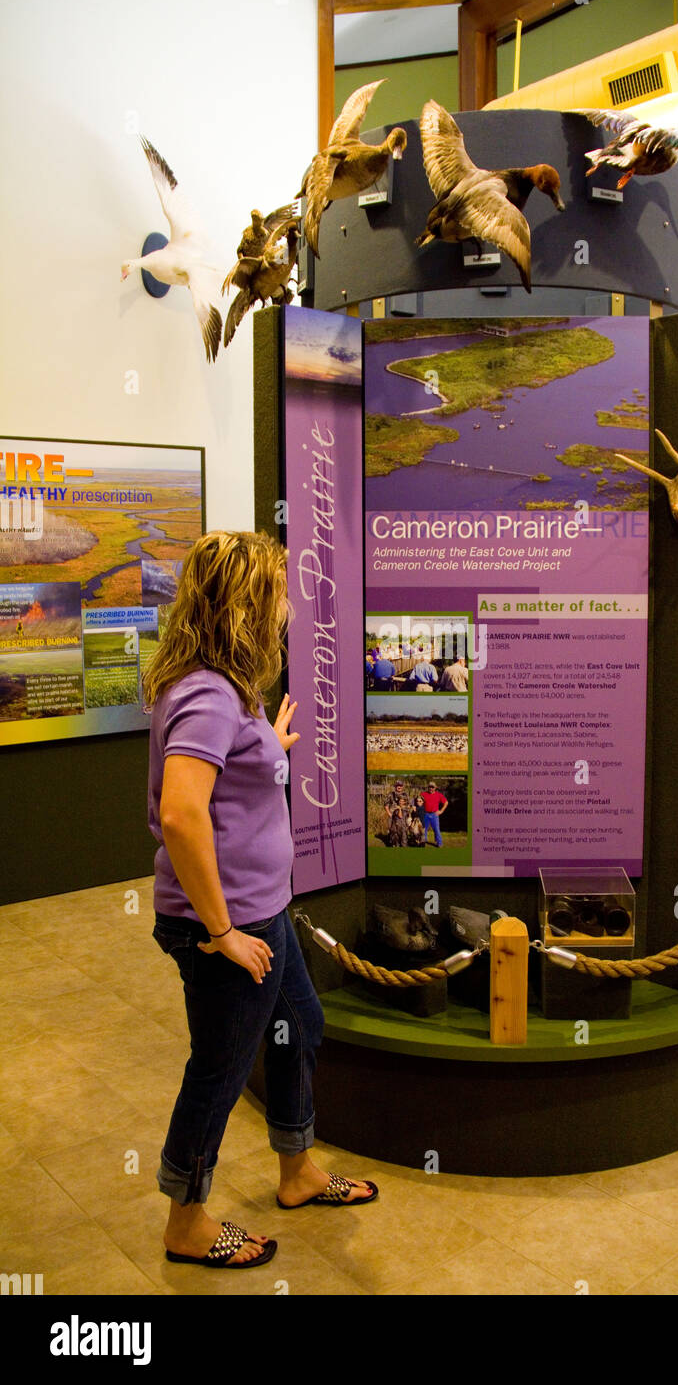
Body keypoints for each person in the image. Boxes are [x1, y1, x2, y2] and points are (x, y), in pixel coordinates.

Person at [142, 530, 376, 1272]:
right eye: (277, 591)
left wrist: (268, 743)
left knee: (299, 1028)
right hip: (228, 925)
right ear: (245, 604)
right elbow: (182, 814)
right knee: (219, 1066)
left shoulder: (222, 689)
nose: (287, 608)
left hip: (259, 911)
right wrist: (221, 931)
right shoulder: (209, 695)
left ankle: (298, 1171)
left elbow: (226, 773)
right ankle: (185, 1219)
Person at [419, 780, 448, 847]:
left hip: (434, 815)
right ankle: (423, 841)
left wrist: (441, 811)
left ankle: (439, 843)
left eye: (433, 787)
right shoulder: (423, 794)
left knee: (436, 829)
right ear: (428, 787)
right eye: (430, 787)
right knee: (423, 829)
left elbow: (446, 802)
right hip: (425, 814)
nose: (431, 789)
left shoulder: (439, 795)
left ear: (435, 788)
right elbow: (418, 801)